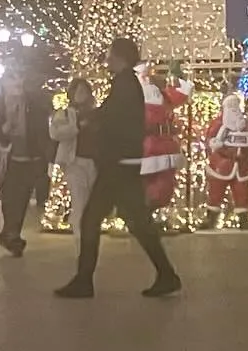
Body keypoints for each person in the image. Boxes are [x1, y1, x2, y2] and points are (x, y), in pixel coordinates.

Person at [56, 36, 182, 298]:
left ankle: (84, 280)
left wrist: (91, 121)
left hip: (118, 163)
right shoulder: (126, 83)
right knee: (136, 221)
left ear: (121, 57)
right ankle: (166, 274)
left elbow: (113, 118)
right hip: (125, 162)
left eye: (110, 54)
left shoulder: (124, 84)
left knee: (92, 218)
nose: (107, 58)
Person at [0, 67, 52, 256]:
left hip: (31, 157)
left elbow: (43, 128)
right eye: (12, 80)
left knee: (23, 198)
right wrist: (4, 129)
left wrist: (44, 153)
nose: (17, 85)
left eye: (20, 80)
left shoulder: (34, 103)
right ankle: (11, 234)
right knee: (11, 198)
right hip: (8, 158)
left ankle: (11, 234)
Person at [49, 77, 99, 242]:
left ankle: (89, 235)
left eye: (85, 91)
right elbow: (55, 133)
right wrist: (76, 127)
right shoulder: (64, 113)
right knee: (79, 201)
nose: (81, 95)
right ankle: (81, 237)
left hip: (94, 162)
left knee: (93, 203)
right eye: (78, 91)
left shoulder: (95, 114)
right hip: (74, 161)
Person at [138, 62, 192, 213]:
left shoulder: (163, 96)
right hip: (145, 147)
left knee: (164, 184)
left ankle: (152, 212)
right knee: (144, 182)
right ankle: (144, 213)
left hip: (164, 146)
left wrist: (177, 76)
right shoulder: (133, 99)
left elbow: (180, 94)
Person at [203, 92, 248, 229]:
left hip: (241, 165)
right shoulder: (218, 123)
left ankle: (243, 220)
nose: (233, 108)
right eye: (230, 105)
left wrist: (247, 151)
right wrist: (220, 149)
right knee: (216, 191)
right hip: (222, 164)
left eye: (235, 105)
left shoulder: (245, 124)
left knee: (242, 192)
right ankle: (211, 219)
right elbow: (210, 140)